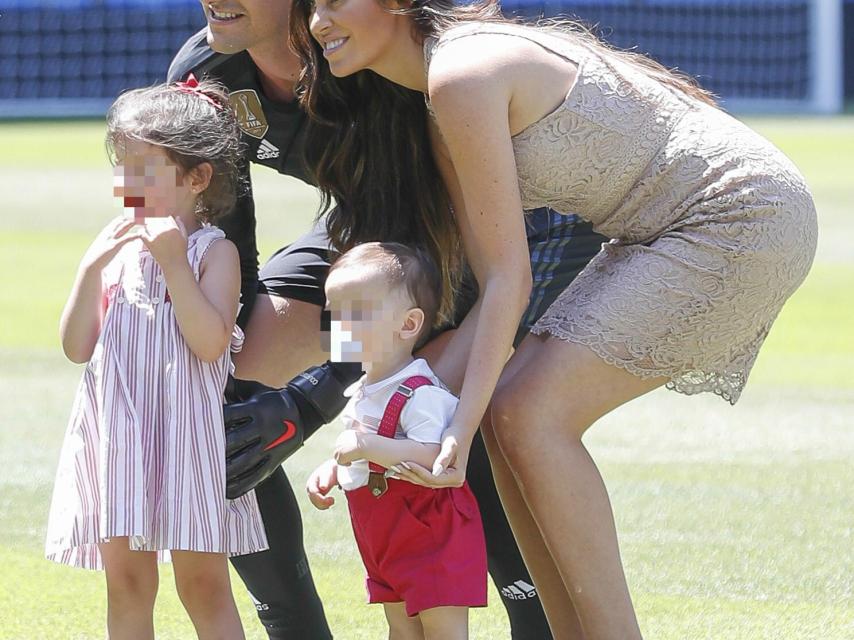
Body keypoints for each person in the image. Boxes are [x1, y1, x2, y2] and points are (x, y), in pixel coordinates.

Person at [290, 2, 819, 638]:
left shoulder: (461, 73)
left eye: (335, 0)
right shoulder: (441, 100)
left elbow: (511, 279)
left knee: (528, 411)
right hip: (658, 231)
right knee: (507, 409)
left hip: (738, 216)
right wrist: (462, 423)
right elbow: (497, 283)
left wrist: (455, 428)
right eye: (311, 4)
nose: (318, 20)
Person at [167, 2, 607, 638]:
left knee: (461, 397)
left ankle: (534, 619)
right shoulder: (206, 70)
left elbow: (415, 286)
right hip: (373, 220)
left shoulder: (371, 55)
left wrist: (307, 404)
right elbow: (228, 251)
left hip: (518, 222)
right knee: (218, 393)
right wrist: (229, 373)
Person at [44, 80, 268, 640]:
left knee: (203, 585)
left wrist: (172, 263)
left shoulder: (212, 251)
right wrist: (88, 271)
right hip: (119, 437)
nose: (126, 183)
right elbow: (76, 347)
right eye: (121, 166)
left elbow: (210, 342)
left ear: (197, 179)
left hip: (186, 440)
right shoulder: (115, 248)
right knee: (126, 584)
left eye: (144, 169)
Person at [308, 242, 487, 639]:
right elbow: (358, 450)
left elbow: (433, 456)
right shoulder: (364, 388)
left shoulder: (420, 393)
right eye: (332, 313)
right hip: (385, 536)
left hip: (432, 535)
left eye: (354, 314)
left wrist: (367, 447)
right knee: (400, 628)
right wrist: (333, 470)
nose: (337, 326)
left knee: (442, 629)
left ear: (407, 325)